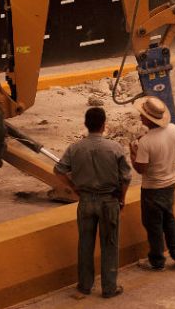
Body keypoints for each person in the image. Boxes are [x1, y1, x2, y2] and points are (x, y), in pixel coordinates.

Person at [54, 107, 131, 299]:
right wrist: (121, 198)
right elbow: (126, 177)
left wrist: (74, 187)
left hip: (86, 200)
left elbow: (58, 170)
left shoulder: (75, 148)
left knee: (85, 244)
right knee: (109, 244)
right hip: (108, 201)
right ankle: (109, 287)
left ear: (86, 125)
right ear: (104, 125)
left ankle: (84, 286)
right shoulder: (115, 148)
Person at [130, 96, 175, 271]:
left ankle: (157, 260)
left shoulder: (145, 142)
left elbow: (141, 169)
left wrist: (133, 153)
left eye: (142, 114)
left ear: (148, 118)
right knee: (169, 218)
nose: (140, 116)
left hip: (152, 188)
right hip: (170, 183)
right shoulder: (173, 129)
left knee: (153, 224)